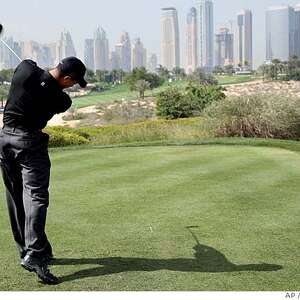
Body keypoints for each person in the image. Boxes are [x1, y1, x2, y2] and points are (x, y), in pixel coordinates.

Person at [0, 57, 87, 284]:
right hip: (30, 143)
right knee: (36, 197)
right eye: (74, 82)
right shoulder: (61, 99)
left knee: (15, 196)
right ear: (67, 79)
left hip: (5, 140)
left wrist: (44, 77)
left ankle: (28, 249)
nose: (72, 86)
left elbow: (30, 65)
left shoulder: (26, 70)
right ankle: (35, 254)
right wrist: (49, 84)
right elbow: (59, 97)